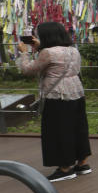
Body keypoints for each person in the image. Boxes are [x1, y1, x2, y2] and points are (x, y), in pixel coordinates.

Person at [16, 21, 92, 182]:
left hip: (57, 95)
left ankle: (65, 168)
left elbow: (28, 70)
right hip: (77, 92)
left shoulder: (48, 52)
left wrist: (24, 53)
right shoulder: (73, 50)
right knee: (78, 127)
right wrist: (40, 47)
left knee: (58, 130)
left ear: (46, 36)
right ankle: (82, 163)